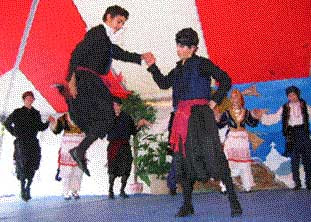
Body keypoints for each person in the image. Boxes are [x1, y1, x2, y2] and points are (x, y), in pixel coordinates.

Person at [145, 28, 242, 217]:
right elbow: (164, 83)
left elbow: (225, 80)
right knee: (182, 160)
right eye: (178, 45)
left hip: (200, 116)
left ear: (193, 48)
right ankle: (187, 205)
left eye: (182, 46)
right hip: (181, 118)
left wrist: (214, 102)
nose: (178, 49)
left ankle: (234, 202)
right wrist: (152, 66)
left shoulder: (202, 64)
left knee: (214, 155)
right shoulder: (178, 68)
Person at [56, 5, 153, 176]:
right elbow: (77, 52)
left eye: (122, 23)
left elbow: (121, 54)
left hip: (93, 81)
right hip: (86, 79)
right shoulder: (97, 32)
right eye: (119, 21)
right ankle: (80, 150)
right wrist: (70, 78)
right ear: (108, 17)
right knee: (107, 117)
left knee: (107, 118)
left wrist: (140, 57)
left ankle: (80, 149)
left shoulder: (106, 40)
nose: (120, 26)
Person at [4, 91, 54, 201]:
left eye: (31, 98)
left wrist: (48, 122)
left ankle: (28, 187)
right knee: (22, 164)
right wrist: (15, 133)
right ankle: (22, 187)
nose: (30, 100)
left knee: (34, 164)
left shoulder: (36, 113)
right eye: (28, 98)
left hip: (32, 142)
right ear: (24, 99)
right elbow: (7, 123)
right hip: (21, 143)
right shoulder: (17, 112)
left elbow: (40, 127)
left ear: (33, 100)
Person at [259, 86, 311, 190]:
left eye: (293, 94)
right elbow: (275, 118)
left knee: (307, 159)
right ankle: (297, 183)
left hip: (303, 133)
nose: (292, 97)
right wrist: (262, 116)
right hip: (292, 134)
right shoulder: (285, 107)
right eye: (289, 95)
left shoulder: (305, 106)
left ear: (297, 94)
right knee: (294, 159)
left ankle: (309, 182)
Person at [216, 89, 259, 193]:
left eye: (236, 97)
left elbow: (252, 124)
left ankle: (247, 186)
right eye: (232, 97)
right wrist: (217, 118)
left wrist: (257, 116)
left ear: (240, 99)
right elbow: (220, 124)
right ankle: (224, 186)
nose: (234, 99)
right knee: (228, 162)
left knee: (244, 163)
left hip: (242, 139)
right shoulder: (227, 113)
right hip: (231, 138)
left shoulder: (246, 112)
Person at [107, 97, 151, 199]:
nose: (114, 107)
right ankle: (110, 190)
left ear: (120, 106)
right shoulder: (107, 117)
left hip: (125, 146)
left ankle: (122, 190)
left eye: (115, 105)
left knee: (126, 168)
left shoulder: (127, 117)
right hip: (113, 146)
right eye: (112, 105)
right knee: (112, 169)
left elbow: (133, 131)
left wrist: (139, 125)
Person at [50, 113, 84, 200]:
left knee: (78, 171)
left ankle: (75, 191)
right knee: (67, 171)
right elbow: (56, 131)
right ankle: (65, 192)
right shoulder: (63, 118)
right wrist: (53, 123)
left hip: (79, 145)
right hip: (67, 147)